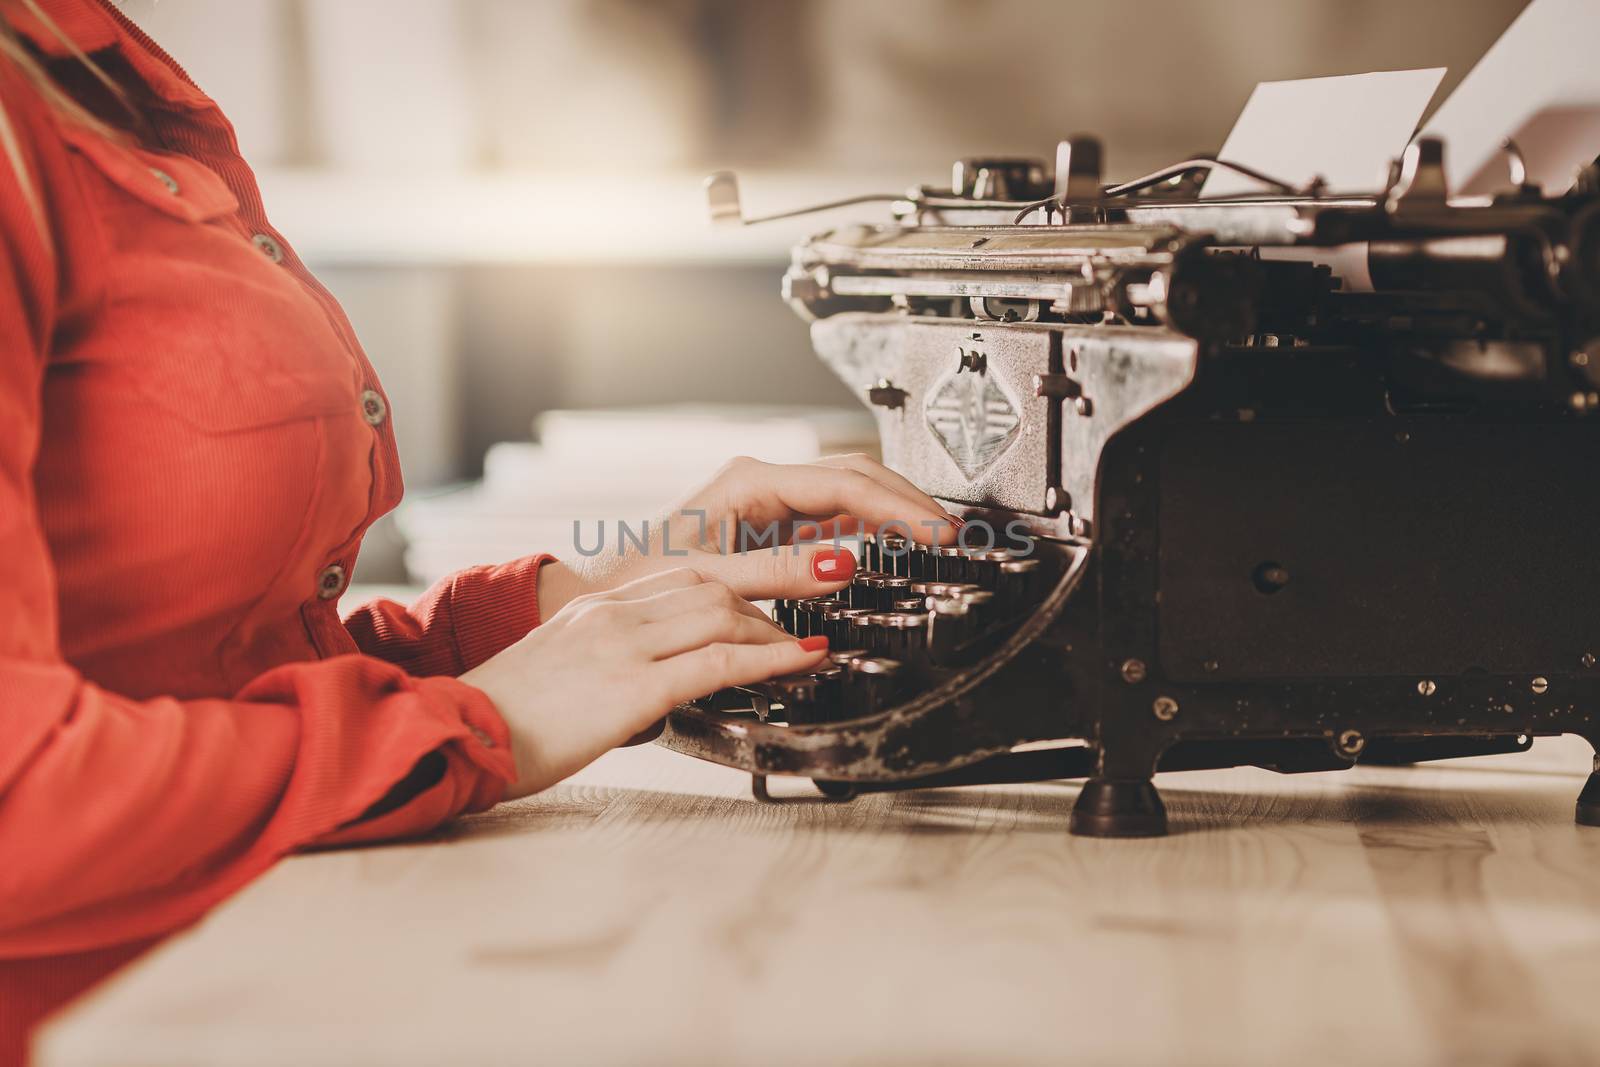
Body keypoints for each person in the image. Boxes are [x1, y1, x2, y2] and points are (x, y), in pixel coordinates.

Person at [0, 0, 957, 1060]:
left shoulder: (88, 58)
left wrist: (567, 609)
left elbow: (198, 679)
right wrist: (477, 721)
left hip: (267, 960)